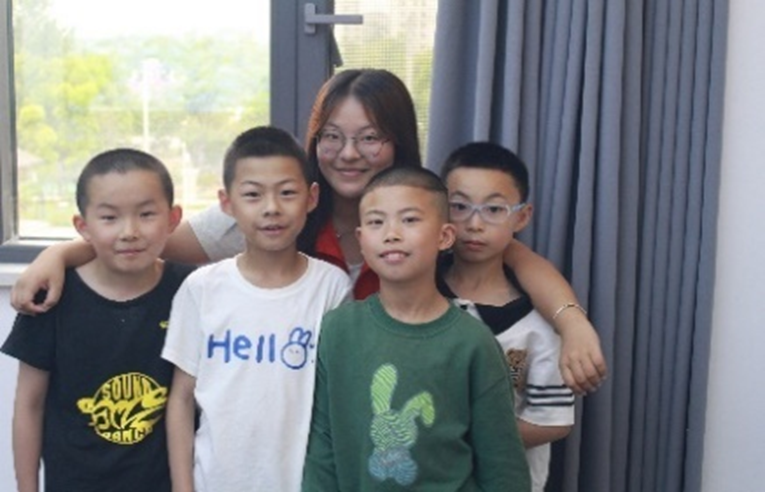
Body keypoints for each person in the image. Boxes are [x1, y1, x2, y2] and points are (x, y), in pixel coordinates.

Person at [9, 68, 606, 394]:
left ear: (398, 141)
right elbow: (150, 241)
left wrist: (571, 321)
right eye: (332, 137)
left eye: (370, 137)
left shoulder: (418, 210)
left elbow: (514, 254)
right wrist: (60, 254)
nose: (349, 153)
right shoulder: (280, 210)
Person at [302, 166, 531, 491]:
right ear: (361, 239)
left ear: (445, 236)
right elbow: (321, 450)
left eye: (409, 220)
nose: (391, 233)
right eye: (376, 222)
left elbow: (503, 465)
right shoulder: (338, 330)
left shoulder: (473, 343)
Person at [162, 126, 352, 492]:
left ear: (311, 197)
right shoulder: (201, 289)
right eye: (252, 194)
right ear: (226, 203)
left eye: (287, 193)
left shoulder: (331, 287)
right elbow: (182, 399)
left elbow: (338, 403)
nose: (271, 208)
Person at [1, 149, 189, 492]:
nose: (129, 231)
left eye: (147, 214)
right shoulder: (52, 297)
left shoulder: (191, 291)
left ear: (173, 218)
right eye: (109, 218)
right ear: (82, 226)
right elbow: (29, 406)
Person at [438, 142, 575, 492]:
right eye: (459, 206)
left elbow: (553, 422)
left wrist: (456, 437)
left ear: (522, 216)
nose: (474, 224)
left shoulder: (538, 324)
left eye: (494, 209)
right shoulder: (421, 294)